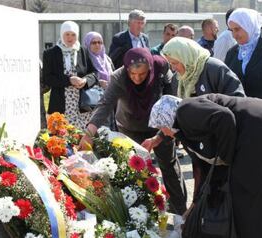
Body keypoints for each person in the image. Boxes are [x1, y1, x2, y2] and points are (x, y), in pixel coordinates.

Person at [149, 94, 262, 238]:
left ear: (167, 117)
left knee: (260, 195)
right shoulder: (186, 125)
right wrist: (197, 201)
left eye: (161, 127)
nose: (163, 132)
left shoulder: (185, 110)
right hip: (261, 131)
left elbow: (224, 117)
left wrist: (226, 158)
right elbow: (205, 167)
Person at [78, 48, 187, 215]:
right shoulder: (118, 77)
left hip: (161, 125)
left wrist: (159, 136)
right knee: (133, 170)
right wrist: (89, 134)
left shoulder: (161, 68)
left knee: (168, 166)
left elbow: (172, 102)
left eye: (142, 75)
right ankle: (140, 214)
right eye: (133, 74)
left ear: (150, 69)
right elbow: (105, 105)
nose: (137, 78)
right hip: (130, 127)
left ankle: (180, 212)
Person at [142, 36, 245, 199]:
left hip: (225, 146)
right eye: (171, 64)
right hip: (202, 148)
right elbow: (176, 114)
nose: (174, 69)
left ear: (186, 56)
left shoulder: (213, 68)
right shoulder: (182, 78)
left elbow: (237, 102)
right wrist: (158, 137)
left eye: (175, 63)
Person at [43, 21, 98, 130]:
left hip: (82, 106)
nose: (70, 38)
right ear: (62, 34)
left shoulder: (83, 51)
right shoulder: (50, 53)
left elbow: (94, 73)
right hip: (60, 104)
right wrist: (69, 80)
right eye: (67, 34)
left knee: (81, 137)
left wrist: (85, 81)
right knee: (62, 138)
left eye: (73, 35)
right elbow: (47, 78)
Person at [83, 31, 116, 129]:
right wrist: (98, 82)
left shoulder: (107, 59)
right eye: (93, 43)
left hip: (108, 98)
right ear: (87, 44)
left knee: (108, 130)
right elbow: (84, 77)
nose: (97, 45)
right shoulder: (85, 59)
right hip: (92, 102)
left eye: (99, 42)